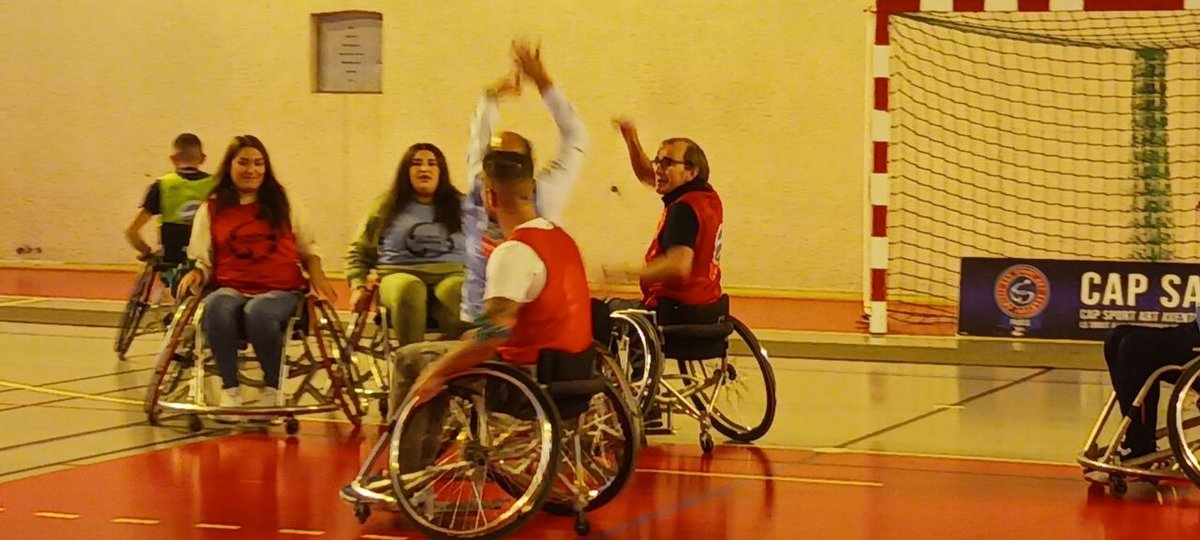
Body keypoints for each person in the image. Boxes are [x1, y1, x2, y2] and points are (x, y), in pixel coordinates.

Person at [176, 135, 337, 417]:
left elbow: (308, 248)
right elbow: (204, 258)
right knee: (216, 305)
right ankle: (230, 388)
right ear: (229, 167)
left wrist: (318, 276)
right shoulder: (212, 209)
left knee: (259, 311)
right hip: (232, 285)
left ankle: (273, 386)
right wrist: (196, 273)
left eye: (258, 163)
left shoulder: (285, 202)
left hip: (282, 290)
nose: (252, 170)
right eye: (244, 163)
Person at [460, 39, 588, 325]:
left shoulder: (545, 195)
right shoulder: (478, 180)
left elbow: (576, 139)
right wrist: (490, 98)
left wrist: (544, 84)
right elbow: (478, 138)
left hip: (511, 328)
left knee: (417, 363)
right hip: (476, 316)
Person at [345, 143, 465, 344]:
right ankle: (411, 363)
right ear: (405, 171)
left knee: (459, 290)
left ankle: (455, 366)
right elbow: (359, 251)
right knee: (409, 288)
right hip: (398, 274)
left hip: (451, 274)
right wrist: (358, 285)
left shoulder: (462, 205)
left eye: (432, 164)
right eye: (416, 163)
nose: (424, 169)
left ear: (441, 171)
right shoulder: (385, 206)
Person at [603, 119, 724, 313]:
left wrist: (626, 272)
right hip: (706, 306)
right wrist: (631, 140)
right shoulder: (707, 198)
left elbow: (678, 267)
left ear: (691, 171)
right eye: (657, 161)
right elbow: (648, 176)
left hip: (674, 311)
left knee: (598, 313)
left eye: (667, 163)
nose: (658, 169)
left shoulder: (683, 209)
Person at [124, 133, 214, 291]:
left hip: (172, 258)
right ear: (202, 158)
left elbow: (132, 232)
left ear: (173, 159)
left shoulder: (162, 185)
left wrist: (146, 252)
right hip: (205, 259)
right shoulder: (215, 185)